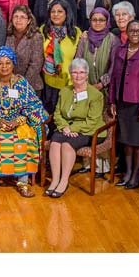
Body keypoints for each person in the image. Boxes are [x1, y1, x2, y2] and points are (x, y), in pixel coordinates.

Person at [0, 46, 47, 198]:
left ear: (13, 64)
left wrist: (18, 121)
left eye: (8, 63)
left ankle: (22, 182)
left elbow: (33, 106)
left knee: (26, 140)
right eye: (0, 63)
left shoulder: (21, 82)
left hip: (18, 122)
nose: (4, 66)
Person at [108, 20, 139, 189]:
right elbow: (114, 77)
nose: (135, 33)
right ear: (127, 32)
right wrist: (112, 100)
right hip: (123, 101)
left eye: (138, 30)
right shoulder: (120, 49)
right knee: (126, 140)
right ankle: (128, 172)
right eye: (132, 30)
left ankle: (136, 173)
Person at [46, 58, 106, 198]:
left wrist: (73, 129)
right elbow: (57, 113)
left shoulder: (96, 95)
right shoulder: (64, 91)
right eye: (74, 72)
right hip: (66, 128)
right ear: (70, 74)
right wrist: (64, 127)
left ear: (87, 74)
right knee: (55, 143)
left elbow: (92, 120)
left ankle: (64, 181)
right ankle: (55, 180)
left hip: (90, 130)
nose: (78, 76)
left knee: (67, 145)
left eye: (81, 72)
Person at [41, 0, 82, 114]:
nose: (56, 14)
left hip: (69, 83)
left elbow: (79, 59)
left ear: (66, 14)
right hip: (48, 83)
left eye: (60, 11)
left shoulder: (76, 33)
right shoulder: (43, 31)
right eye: (53, 11)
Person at [6, 5, 45, 94]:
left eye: (22, 17)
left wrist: (22, 85)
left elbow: (36, 65)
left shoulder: (36, 37)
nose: (18, 20)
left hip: (30, 85)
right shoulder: (9, 34)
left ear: (29, 20)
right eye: (16, 16)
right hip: (10, 84)